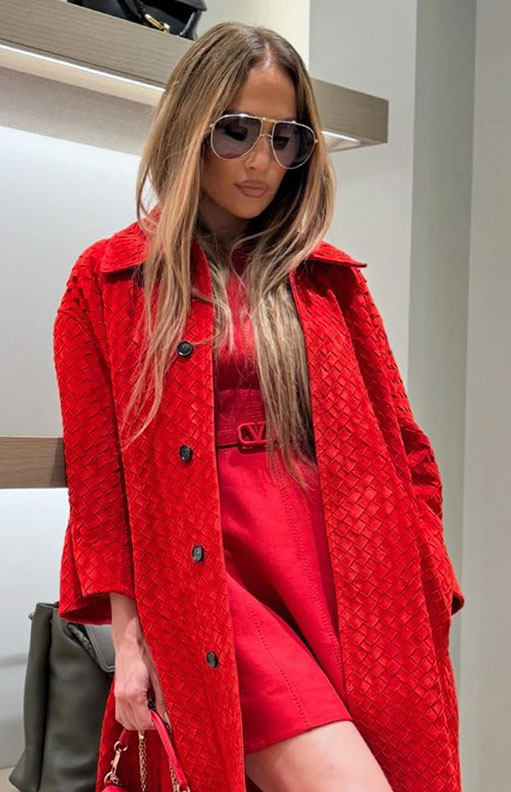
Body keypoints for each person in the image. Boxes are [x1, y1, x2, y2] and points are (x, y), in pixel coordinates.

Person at [53, 20, 465, 792]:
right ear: (189, 128)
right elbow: (100, 483)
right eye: (237, 132)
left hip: (350, 580)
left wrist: (428, 575)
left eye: (287, 140)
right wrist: (132, 641)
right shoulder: (106, 282)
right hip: (211, 584)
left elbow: (403, 443)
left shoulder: (327, 280)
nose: (261, 162)